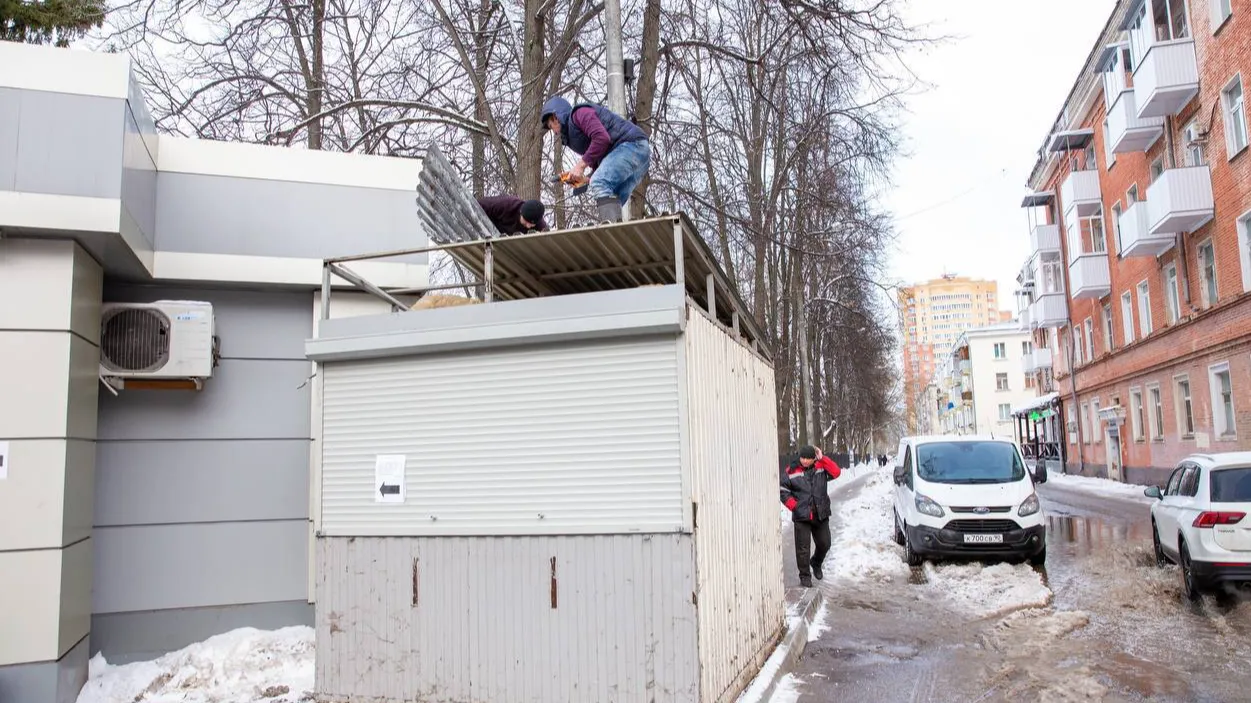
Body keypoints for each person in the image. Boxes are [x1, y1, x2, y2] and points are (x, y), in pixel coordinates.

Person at [540, 96, 651, 224]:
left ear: (556, 116)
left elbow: (602, 138)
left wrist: (580, 166)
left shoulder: (579, 114)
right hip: (639, 155)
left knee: (599, 182)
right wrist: (585, 179)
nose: (553, 131)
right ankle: (615, 235)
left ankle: (610, 233)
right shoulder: (573, 137)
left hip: (632, 145)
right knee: (612, 196)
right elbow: (601, 164)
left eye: (550, 125)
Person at [780, 445, 842, 587]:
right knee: (803, 548)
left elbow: (837, 472)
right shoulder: (791, 470)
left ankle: (816, 562)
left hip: (820, 513)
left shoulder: (821, 466)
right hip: (802, 515)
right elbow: (783, 489)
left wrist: (823, 458)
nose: (805, 461)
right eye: (803, 458)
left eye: (809, 458)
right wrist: (794, 506)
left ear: (814, 458)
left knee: (825, 543)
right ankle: (805, 576)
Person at [476, 195, 547, 235]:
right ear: (520, 212)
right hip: (490, 230)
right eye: (526, 221)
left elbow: (547, 237)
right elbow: (476, 206)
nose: (528, 226)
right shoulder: (505, 204)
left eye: (532, 225)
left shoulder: (540, 224)